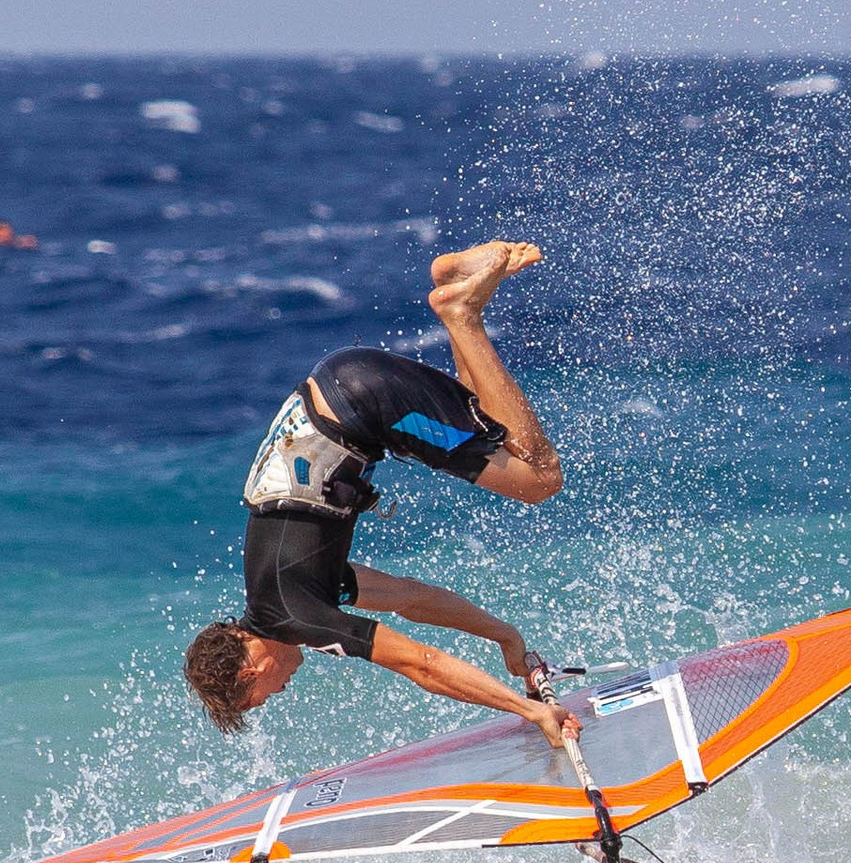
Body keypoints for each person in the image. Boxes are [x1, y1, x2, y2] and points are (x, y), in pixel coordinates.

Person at [182, 241, 582, 750]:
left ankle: (459, 311)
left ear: (250, 671)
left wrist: (531, 712)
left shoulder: (297, 616)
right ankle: (459, 293)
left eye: (261, 698)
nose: (280, 692)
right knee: (491, 422)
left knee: (539, 479)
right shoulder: (285, 590)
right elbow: (413, 599)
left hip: (366, 406)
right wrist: (505, 636)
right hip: (344, 386)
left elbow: (422, 663)